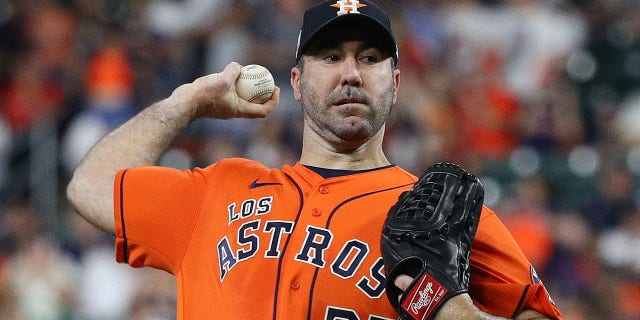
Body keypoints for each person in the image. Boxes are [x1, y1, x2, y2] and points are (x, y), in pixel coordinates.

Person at [66, 1, 563, 319]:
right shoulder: (217, 191)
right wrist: (186, 103)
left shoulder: (441, 214)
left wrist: (448, 308)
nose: (350, 73)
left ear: (396, 83)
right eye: (330, 57)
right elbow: (89, 184)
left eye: (369, 58)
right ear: (298, 84)